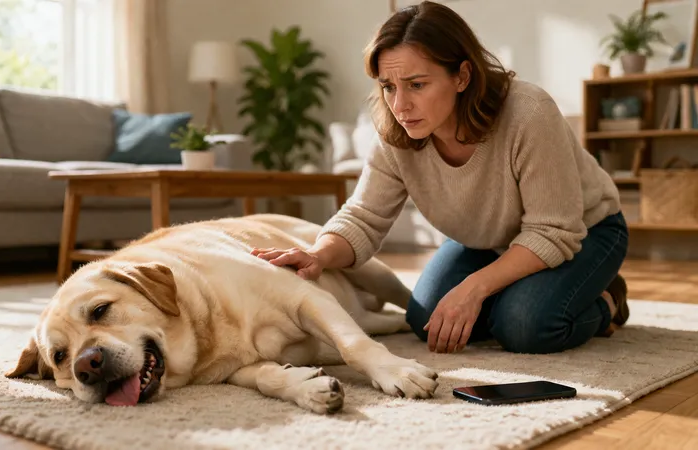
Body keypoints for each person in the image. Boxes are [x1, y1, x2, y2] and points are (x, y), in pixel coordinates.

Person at [252, 1, 629, 355]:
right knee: (427, 321)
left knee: (524, 326)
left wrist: (474, 288)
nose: (400, 105)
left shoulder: (529, 113)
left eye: (417, 85)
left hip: (584, 231)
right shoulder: (394, 130)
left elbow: (553, 230)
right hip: (488, 240)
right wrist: (318, 254)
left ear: (462, 76)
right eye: (388, 86)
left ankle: (608, 300)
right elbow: (365, 216)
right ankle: (517, 293)